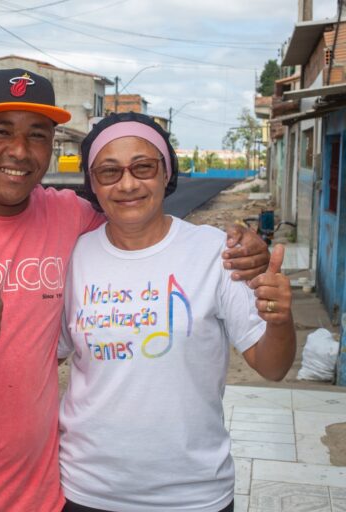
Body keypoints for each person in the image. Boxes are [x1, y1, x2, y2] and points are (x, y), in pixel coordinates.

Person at [0, 69, 271, 511]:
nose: (19, 152)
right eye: (1, 132)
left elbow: (145, 228)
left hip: (39, 498)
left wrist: (241, 246)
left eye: (37, 136)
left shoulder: (69, 217)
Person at [58, 112, 296, 512]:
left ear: (166, 172)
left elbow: (273, 367)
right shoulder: (74, 257)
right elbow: (46, 361)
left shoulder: (215, 252)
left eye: (144, 167)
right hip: (86, 490)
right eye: (109, 172)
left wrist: (280, 318)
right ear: (92, 184)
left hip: (194, 494)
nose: (128, 184)